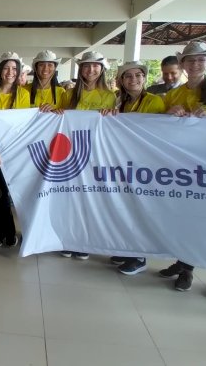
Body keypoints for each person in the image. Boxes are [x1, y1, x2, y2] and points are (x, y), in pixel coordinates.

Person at [159, 41, 206, 291]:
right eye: (190, 60)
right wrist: (169, 114)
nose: (195, 64)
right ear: (183, 64)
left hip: (204, 166)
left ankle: (188, 268)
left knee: (196, 217)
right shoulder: (173, 95)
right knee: (178, 215)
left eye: (201, 60)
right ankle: (180, 260)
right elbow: (157, 127)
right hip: (176, 164)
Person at [105, 61, 166, 275]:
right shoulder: (121, 102)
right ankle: (128, 248)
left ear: (144, 78)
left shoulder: (153, 101)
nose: (133, 80)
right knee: (126, 207)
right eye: (128, 76)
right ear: (121, 80)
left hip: (144, 164)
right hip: (125, 162)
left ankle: (140, 256)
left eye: (138, 75)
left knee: (140, 208)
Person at [59, 51, 115, 260]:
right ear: (81, 69)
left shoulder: (109, 96)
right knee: (70, 197)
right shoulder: (70, 94)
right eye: (86, 66)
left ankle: (84, 241)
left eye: (95, 66)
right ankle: (69, 238)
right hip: (71, 154)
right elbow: (60, 120)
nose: (91, 70)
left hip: (95, 154)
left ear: (101, 70)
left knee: (89, 198)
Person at [0, 52, 31, 248]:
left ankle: (8, 231)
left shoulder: (24, 94)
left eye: (14, 68)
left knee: (6, 193)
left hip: (13, 154)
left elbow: (21, 125)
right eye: (6, 68)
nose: (10, 72)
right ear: (0, 71)